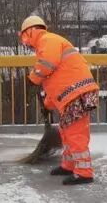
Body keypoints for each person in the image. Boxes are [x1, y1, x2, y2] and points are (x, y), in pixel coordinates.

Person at [19, 15, 100, 185]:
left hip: (78, 93)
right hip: (73, 93)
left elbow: (47, 64)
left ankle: (84, 172)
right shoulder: (48, 43)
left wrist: (32, 78)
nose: (25, 42)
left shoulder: (47, 40)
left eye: (25, 37)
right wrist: (48, 105)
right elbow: (55, 81)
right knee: (66, 131)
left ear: (30, 31)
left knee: (75, 133)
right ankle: (69, 165)